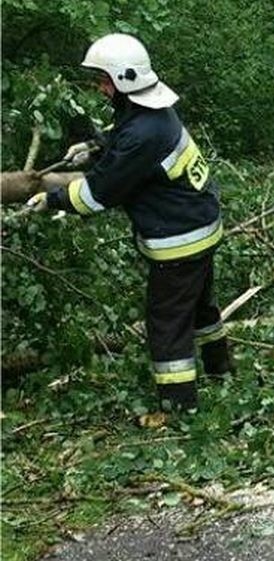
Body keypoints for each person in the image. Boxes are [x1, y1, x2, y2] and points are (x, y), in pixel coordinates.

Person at [26, 33, 234, 408]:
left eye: (104, 79)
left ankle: (179, 407)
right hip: (201, 224)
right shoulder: (152, 111)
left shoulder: (142, 133)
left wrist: (53, 199)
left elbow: (95, 196)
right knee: (201, 307)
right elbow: (126, 136)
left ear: (124, 79)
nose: (100, 87)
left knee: (167, 326)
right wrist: (94, 146)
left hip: (180, 240)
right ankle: (222, 372)